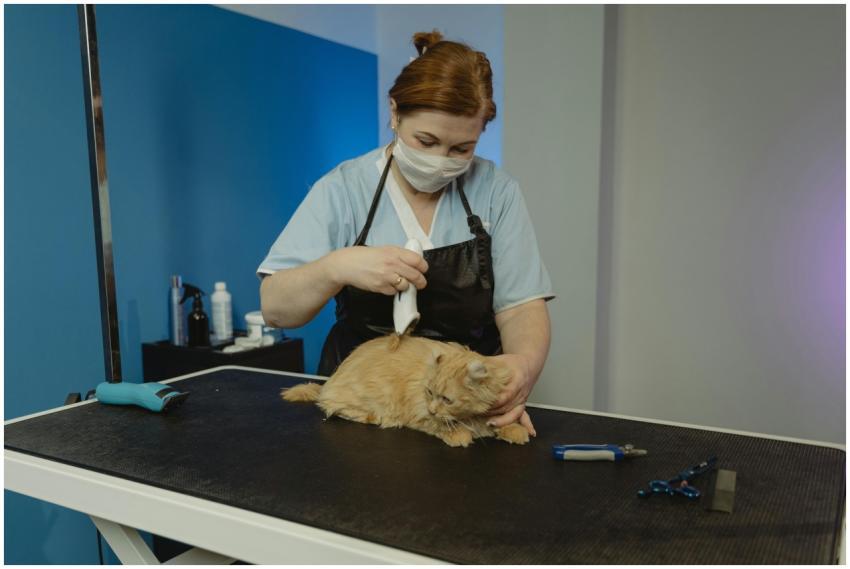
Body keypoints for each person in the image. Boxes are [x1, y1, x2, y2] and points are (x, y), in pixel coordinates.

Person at [258, 30, 554, 435]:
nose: (440, 161)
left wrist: (523, 365)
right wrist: (336, 267)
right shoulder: (343, 189)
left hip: (460, 407)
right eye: (426, 141)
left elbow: (521, 308)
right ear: (395, 113)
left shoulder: (496, 191)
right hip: (367, 403)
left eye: (461, 149)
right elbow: (276, 309)